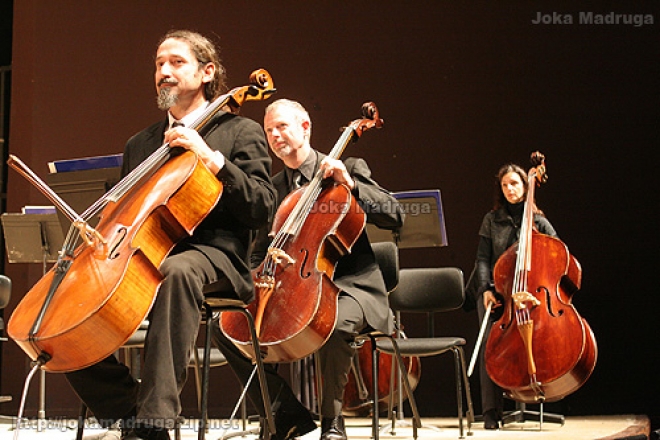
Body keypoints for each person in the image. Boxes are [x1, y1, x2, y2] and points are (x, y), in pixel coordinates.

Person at [64, 30, 276, 440]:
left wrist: (212, 160)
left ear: (206, 72)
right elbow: (128, 210)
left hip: (216, 258)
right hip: (146, 256)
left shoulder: (239, 133)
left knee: (177, 271)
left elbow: (262, 207)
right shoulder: (141, 143)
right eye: (159, 64)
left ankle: (155, 422)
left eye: (176, 62)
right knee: (70, 301)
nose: (163, 72)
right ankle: (129, 410)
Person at [212, 98, 404, 440]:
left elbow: (394, 213)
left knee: (335, 322)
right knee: (226, 326)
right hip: (293, 288)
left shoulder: (347, 167)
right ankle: (285, 412)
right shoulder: (271, 188)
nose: (274, 135)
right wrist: (263, 269)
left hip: (352, 288)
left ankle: (333, 422)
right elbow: (258, 253)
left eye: (282, 126)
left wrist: (352, 185)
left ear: (305, 127)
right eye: (269, 130)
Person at [468, 163, 557, 430]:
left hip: (531, 295)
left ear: (525, 186)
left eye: (515, 184)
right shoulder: (491, 220)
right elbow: (482, 259)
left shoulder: (539, 222)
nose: (510, 189)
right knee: (491, 347)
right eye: (505, 185)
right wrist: (485, 289)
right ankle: (491, 412)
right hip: (498, 293)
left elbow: (558, 256)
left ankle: (541, 396)